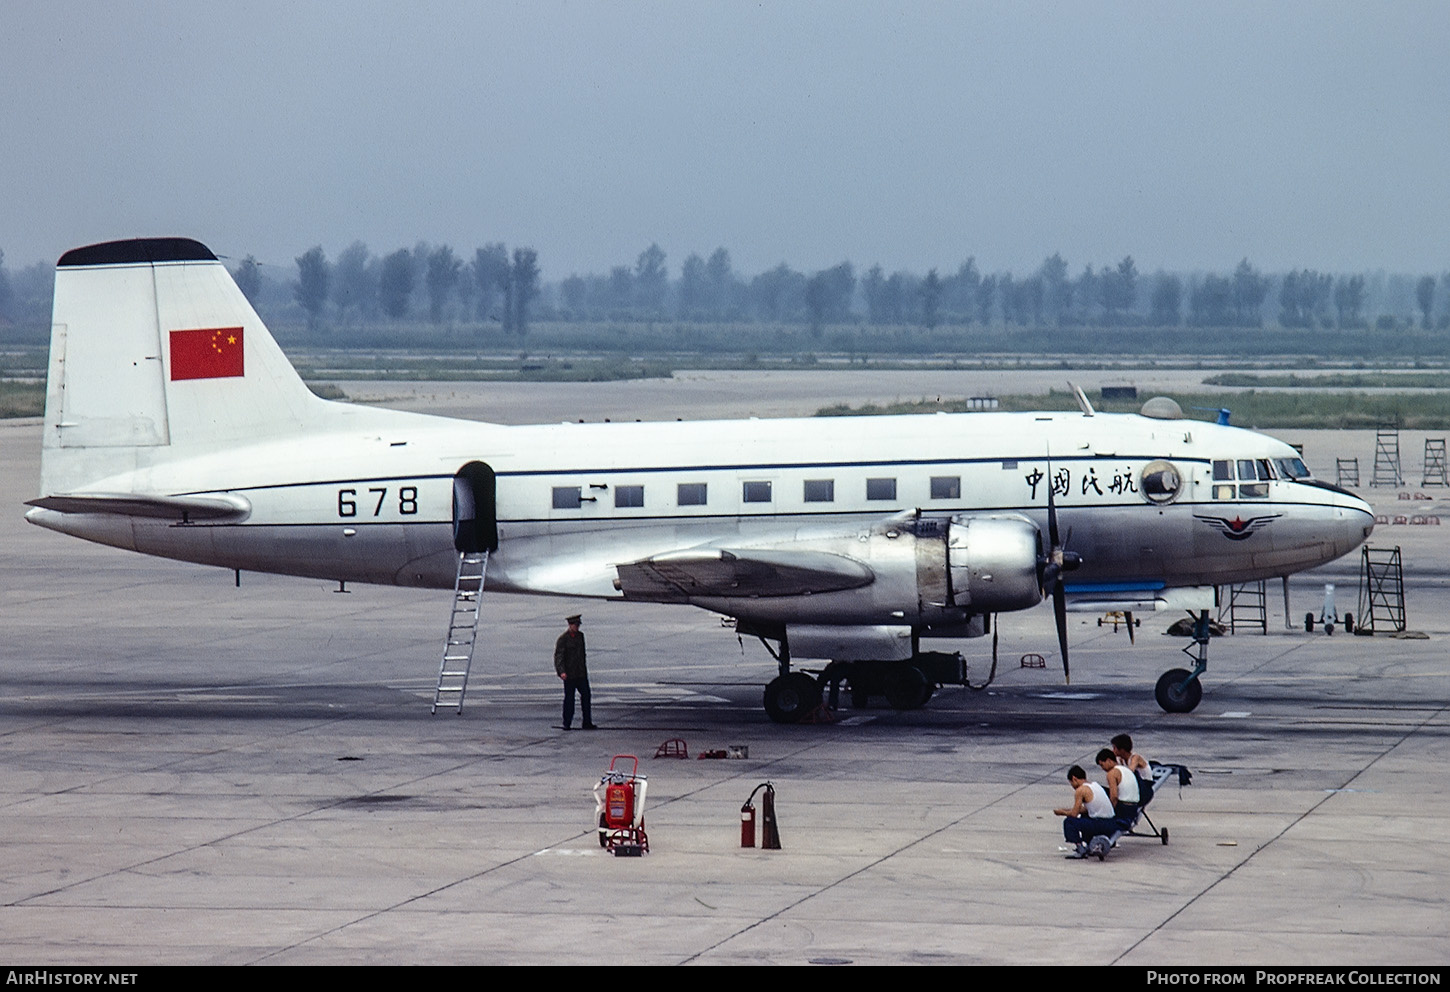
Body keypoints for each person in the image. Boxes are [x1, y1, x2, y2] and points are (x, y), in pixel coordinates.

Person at [1054, 764, 1119, 857]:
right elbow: (1087, 809)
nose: (1072, 786)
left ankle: (1080, 848)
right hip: (1111, 822)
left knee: (1069, 822)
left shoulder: (1081, 790)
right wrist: (1070, 810)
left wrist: (1062, 812)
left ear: (1074, 779)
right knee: (1085, 816)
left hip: (1100, 823)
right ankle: (1090, 845)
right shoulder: (1095, 785)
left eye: (1071, 783)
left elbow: (1074, 814)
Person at [555, 614, 596, 730]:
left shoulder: (580, 636)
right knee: (569, 699)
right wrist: (561, 671)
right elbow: (559, 657)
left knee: (586, 696)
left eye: (578, 625)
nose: (577, 627)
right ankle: (567, 723)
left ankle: (587, 722)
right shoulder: (563, 639)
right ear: (570, 625)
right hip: (570, 674)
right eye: (575, 625)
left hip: (581, 673)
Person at [1111, 733, 1154, 805]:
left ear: (1122, 750)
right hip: (1135, 787)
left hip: (1145, 787)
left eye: (1114, 748)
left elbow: (1129, 773)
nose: (1113, 751)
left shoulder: (1135, 758)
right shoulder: (1120, 759)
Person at [1096, 747, 1139, 820]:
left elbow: (1114, 797)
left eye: (1102, 765)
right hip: (1134, 807)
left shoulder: (1112, 773)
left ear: (1109, 760)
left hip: (1124, 808)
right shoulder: (1125, 769)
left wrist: (1108, 812)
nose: (1102, 768)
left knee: (1097, 790)